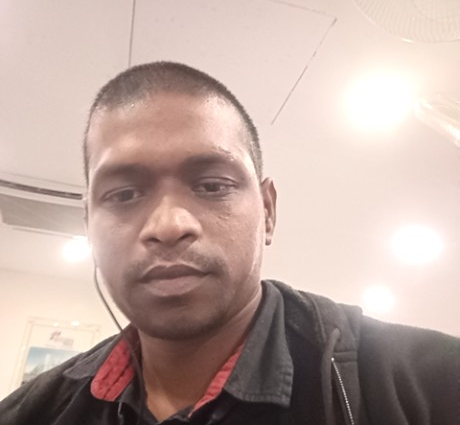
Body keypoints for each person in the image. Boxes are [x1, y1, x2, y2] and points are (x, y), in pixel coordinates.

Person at [1, 62, 459, 425]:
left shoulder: (430, 385)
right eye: (123, 195)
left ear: (268, 211)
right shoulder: (31, 413)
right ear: (89, 223)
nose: (169, 225)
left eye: (212, 186)